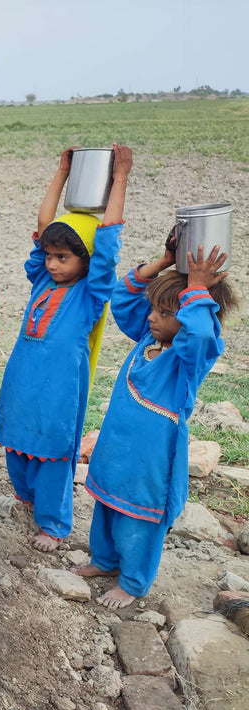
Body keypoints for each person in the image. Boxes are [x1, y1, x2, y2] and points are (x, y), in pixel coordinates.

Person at [74, 242, 236, 608]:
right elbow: (122, 299)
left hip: (152, 461)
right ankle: (105, 561)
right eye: (153, 308)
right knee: (108, 505)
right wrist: (164, 261)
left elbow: (201, 333)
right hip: (117, 448)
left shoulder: (188, 359)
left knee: (139, 520)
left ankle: (133, 582)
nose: (151, 317)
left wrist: (197, 287)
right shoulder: (149, 337)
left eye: (164, 312)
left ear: (191, 313)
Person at [0, 145, 132, 552]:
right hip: (23, 382)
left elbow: (107, 243)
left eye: (63, 258)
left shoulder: (91, 293)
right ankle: (26, 497)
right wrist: (62, 172)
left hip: (58, 390)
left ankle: (54, 524)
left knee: (52, 451)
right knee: (16, 440)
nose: (53, 264)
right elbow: (43, 226)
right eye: (50, 256)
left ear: (85, 261)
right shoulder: (42, 281)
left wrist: (119, 178)